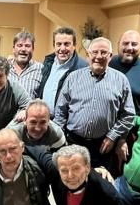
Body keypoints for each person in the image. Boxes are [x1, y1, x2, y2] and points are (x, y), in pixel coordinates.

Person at [54, 37, 135, 169]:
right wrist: (61, 139)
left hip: (103, 144)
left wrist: (113, 136)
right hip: (73, 141)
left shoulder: (121, 81)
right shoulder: (73, 78)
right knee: (72, 179)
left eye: (103, 53)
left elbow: (128, 114)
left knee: (99, 183)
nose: (98, 56)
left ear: (110, 56)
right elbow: (60, 111)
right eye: (94, 52)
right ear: (87, 55)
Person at [0, 99, 66, 179]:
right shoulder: (13, 132)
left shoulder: (56, 134)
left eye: (42, 122)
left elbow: (63, 160)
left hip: (44, 163)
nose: (37, 128)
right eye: (33, 122)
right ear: (25, 121)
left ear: (49, 121)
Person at [34, 27, 88, 115]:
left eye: (67, 44)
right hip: (44, 120)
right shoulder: (48, 63)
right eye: (59, 44)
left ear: (74, 46)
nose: (62, 48)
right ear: (54, 45)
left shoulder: (83, 68)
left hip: (65, 124)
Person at [109, 30, 140, 117]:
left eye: (134, 44)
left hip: (131, 128)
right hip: (102, 127)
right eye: (125, 43)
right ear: (118, 44)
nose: (129, 48)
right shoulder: (107, 64)